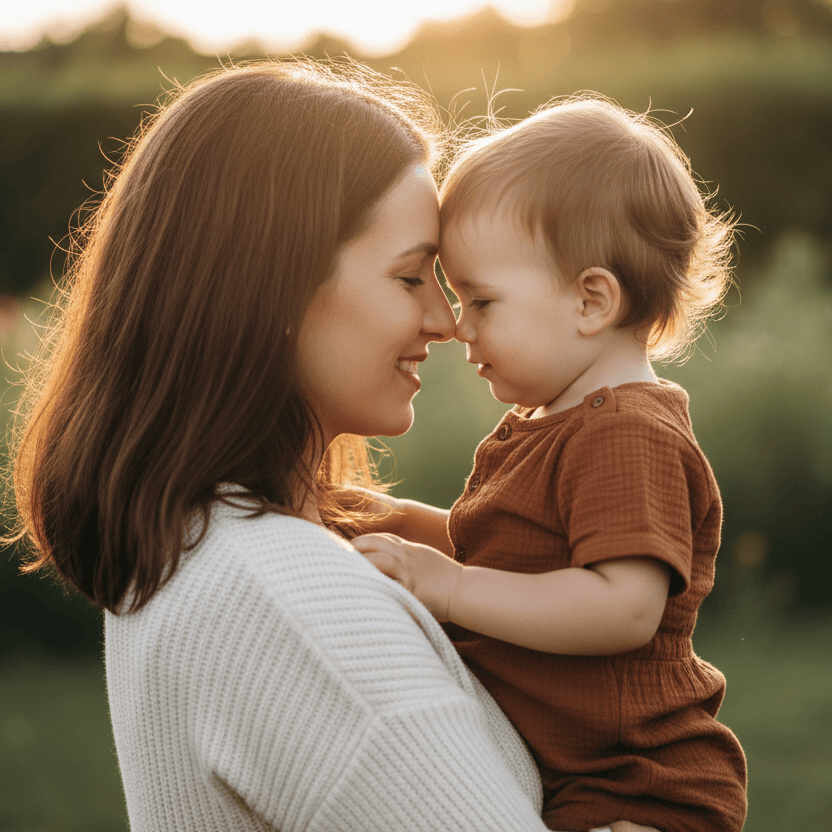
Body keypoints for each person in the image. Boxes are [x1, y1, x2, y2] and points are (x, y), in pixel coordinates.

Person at [6, 63, 659, 832]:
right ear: (274, 288)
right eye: (413, 277)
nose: (447, 323)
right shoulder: (295, 607)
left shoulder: (199, 544)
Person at [354, 96, 748, 832]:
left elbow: (622, 607)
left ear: (591, 300)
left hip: (639, 789)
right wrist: (380, 518)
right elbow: (520, 555)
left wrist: (453, 589)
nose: (457, 326)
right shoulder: (555, 424)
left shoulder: (628, 433)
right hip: (576, 777)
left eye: (482, 299)